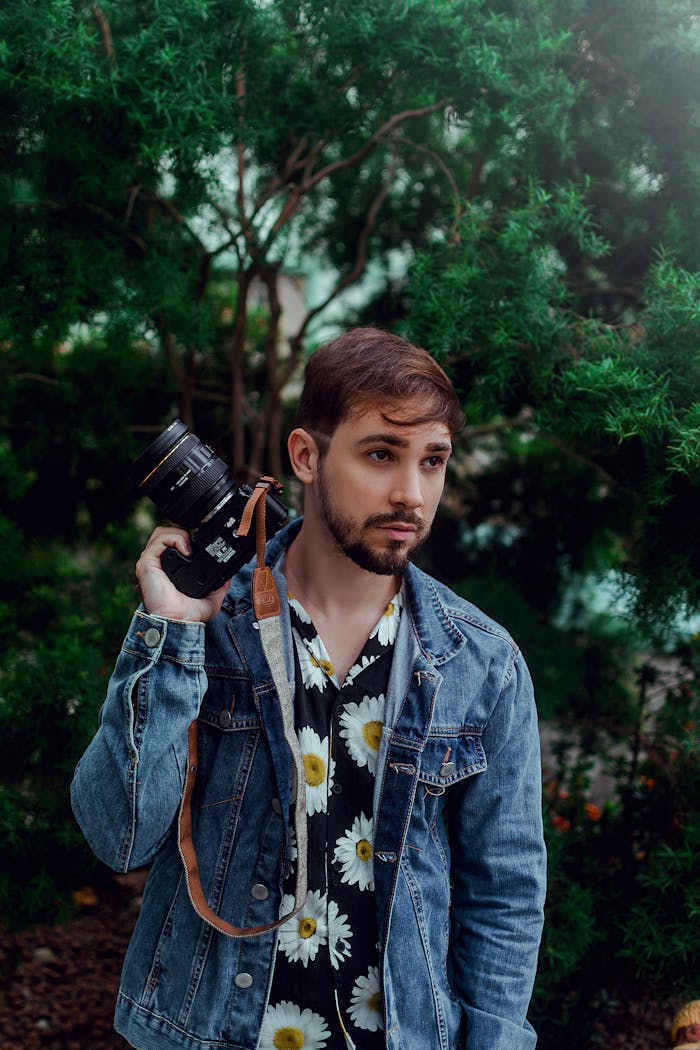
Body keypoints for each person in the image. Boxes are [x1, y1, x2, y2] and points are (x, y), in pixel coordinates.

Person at [71, 327, 546, 1050]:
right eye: (381, 453)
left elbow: (505, 895)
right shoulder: (211, 624)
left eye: (433, 461)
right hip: (210, 1033)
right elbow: (120, 836)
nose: (410, 494)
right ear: (306, 455)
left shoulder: (482, 663)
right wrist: (169, 636)